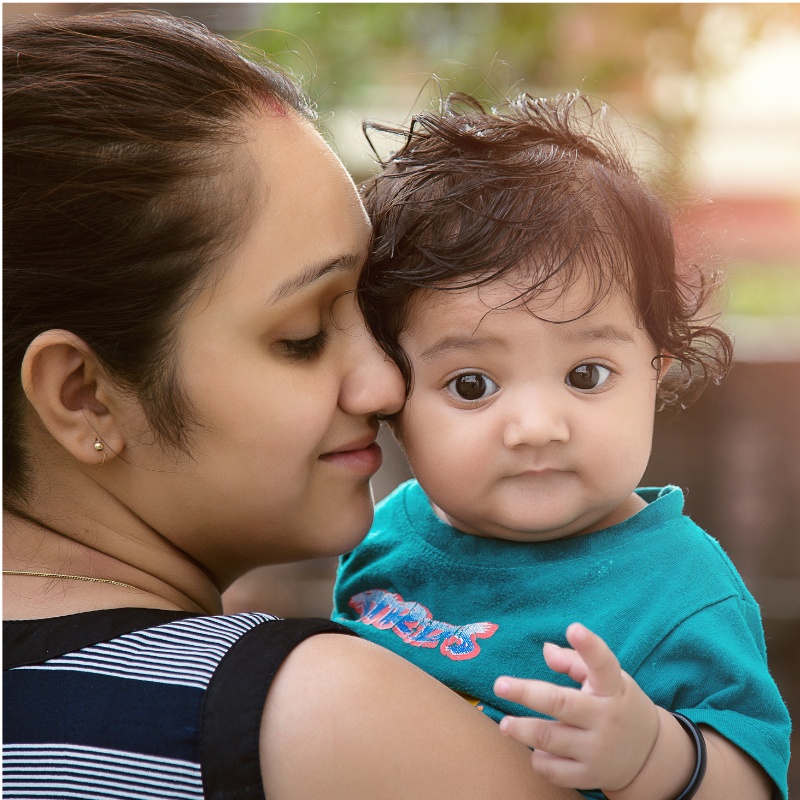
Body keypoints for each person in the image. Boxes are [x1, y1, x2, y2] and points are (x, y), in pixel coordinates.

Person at [1, 12, 580, 800]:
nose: (384, 384)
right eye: (305, 335)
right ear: (84, 396)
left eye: (372, 312)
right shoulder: (326, 720)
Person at [332, 94, 791, 799]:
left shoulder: (681, 592)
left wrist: (652, 756)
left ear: (654, 372)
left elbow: (755, 781)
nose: (538, 426)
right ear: (395, 400)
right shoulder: (385, 538)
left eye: (585, 375)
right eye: (472, 384)